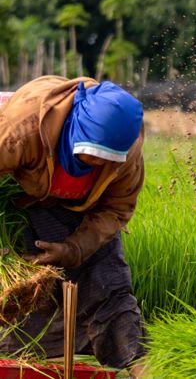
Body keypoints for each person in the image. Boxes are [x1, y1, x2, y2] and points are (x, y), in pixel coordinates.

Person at [0, 76, 147, 375]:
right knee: (21, 294)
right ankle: (26, 364)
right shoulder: (21, 129)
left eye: (106, 158)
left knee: (108, 285)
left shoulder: (127, 154)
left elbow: (116, 209)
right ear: (74, 130)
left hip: (79, 211)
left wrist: (73, 249)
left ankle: (140, 365)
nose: (95, 163)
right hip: (17, 198)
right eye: (89, 152)